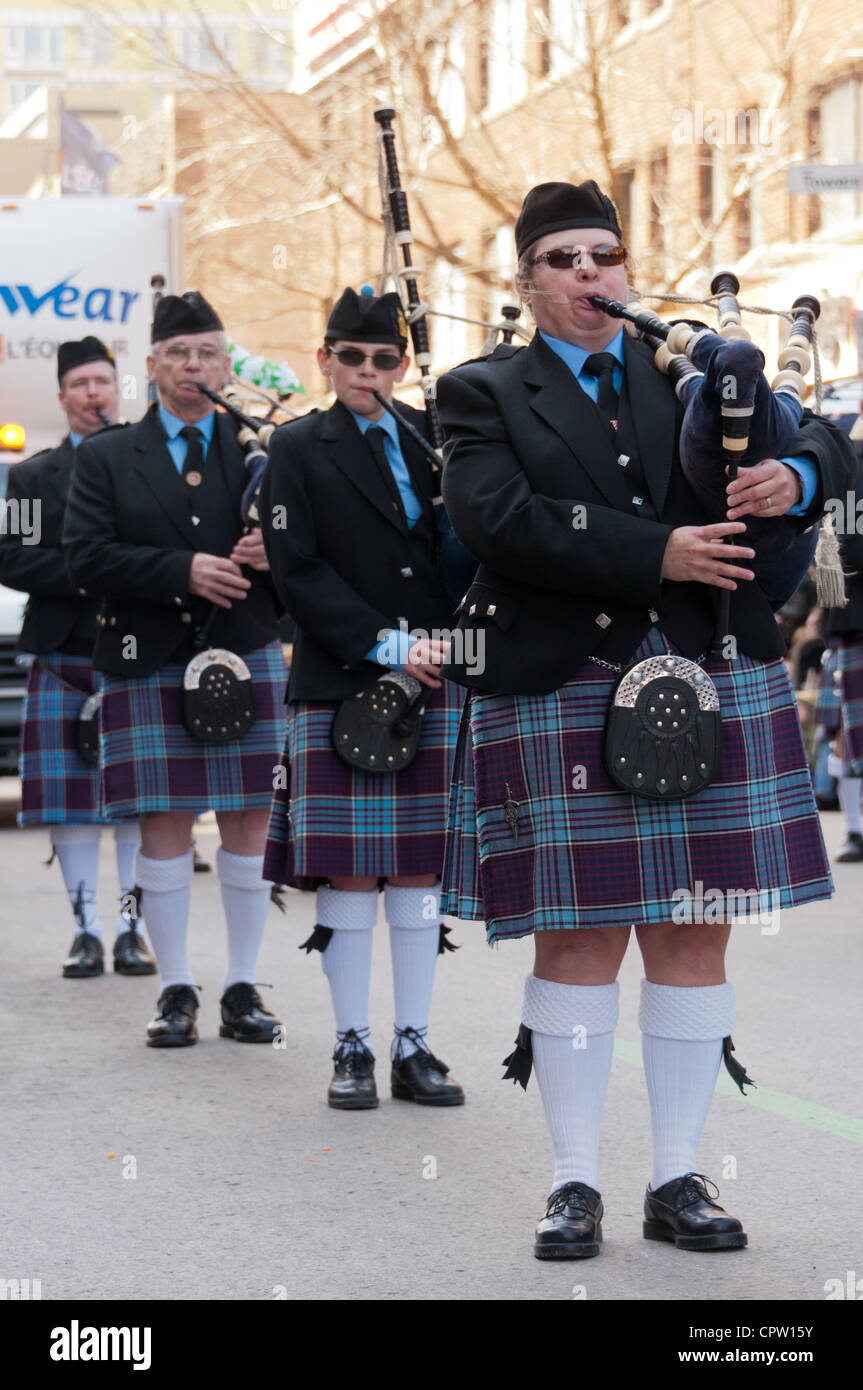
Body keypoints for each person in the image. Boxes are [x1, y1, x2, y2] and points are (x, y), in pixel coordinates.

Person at [436, 180, 854, 1258]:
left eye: (605, 255)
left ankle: (676, 1178)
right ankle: (573, 1181)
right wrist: (652, 550)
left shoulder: (695, 365)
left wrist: (790, 470)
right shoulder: (480, 391)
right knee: (579, 935)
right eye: (564, 259)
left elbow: (834, 453)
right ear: (526, 282)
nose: (590, 275)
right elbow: (496, 520)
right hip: (562, 674)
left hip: (709, 665)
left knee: (690, 925)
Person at [259, 287, 466, 1110]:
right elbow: (295, 569)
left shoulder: (435, 438)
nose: (369, 372)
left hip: (437, 672)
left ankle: (412, 1043)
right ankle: (351, 1046)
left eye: (385, 359)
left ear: (403, 365)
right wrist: (390, 646)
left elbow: (470, 549)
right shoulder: (297, 446)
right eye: (352, 357)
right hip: (346, 678)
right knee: (350, 874)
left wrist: (457, 636)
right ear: (326, 360)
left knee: (417, 873)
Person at [62, 293, 285, 1048]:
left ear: (227, 363)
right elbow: (84, 557)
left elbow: (314, 550)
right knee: (162, 823)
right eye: (179, 353)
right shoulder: (105, 456)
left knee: (251, 824)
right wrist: (181, 569)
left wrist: (272, 552)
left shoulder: (261, 446)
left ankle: (242, 984)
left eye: (209, 354)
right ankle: (175, 988)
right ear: (152, 364)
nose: (195, 366)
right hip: (147, 655)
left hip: (244, 650)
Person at [0, 336, 154, 978]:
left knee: (138, 805)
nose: (94, 394)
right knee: (73, 809)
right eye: (81, 385)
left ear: (117, 389)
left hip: (137, 653)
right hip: (65, 653)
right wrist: (98, 570)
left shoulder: (140, 464)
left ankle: (129, 926)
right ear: (63, 397)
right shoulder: (35, 477)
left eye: (102, 382)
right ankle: (87, 928)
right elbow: (12, 557)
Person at [824, 425, 863, 859]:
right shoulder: (853, 462)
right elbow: (845, 547)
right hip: (855, 618)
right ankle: (855, 830)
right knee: (849, 735)